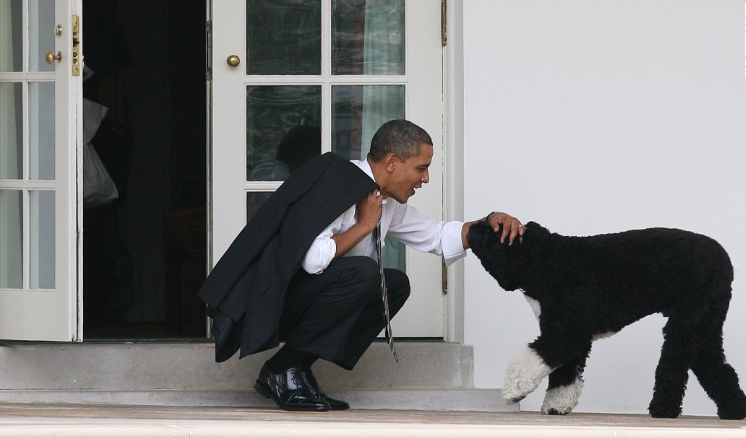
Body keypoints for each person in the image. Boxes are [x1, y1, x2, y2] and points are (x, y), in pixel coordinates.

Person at [198, 120, 524, 412]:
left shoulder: (385, 199)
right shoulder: (337, 181)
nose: (425, 178)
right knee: (365, 273)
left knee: (394, 284)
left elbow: (437, 236)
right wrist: (364, 226)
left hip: (307, 301)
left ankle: (289, 366)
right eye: (421, 168)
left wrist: (489, 223)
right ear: (392, 163)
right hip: (272, 304)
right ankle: (284, 371)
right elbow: (312, 260)